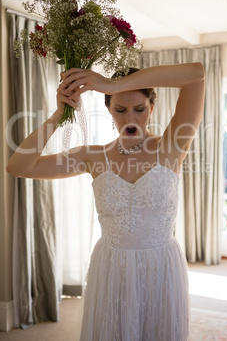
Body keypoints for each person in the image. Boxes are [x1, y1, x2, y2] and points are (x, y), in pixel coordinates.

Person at [7, 63, 205, 340]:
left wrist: (112, 85)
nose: (130, 118)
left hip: (161, 265)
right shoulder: (93, 156)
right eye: (120, 110)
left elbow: (196, 75)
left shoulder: (171, 147)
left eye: (140, 108)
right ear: (109, 110)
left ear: (152, 107)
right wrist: (57, 116)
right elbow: (19, 167)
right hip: (112, 266)